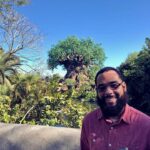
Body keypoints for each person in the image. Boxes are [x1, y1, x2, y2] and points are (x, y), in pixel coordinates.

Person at [80, 66, 150, 150]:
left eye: (114, 85)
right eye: (102, 88)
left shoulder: (146, 125)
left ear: (124, 87)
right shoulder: (88, 121)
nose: (108, 92)